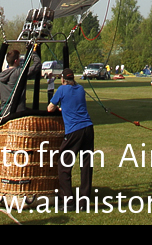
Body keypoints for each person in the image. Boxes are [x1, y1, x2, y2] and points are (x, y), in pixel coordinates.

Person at [48, 68, 94, 203]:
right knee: (86, 165)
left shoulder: (62, 90)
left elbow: (50, 108)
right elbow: (74, 104)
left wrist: (57, 107)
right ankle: (84, 200)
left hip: (74, 130)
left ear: (63, 79)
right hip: (88, 128)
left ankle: (67, 199)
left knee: (63, 165)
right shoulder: (80, 89)